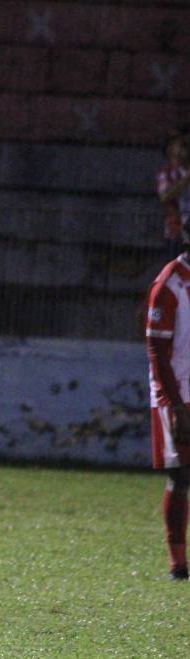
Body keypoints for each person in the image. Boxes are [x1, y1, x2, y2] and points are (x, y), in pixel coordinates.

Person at [145, 220, 190, 581]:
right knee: (182, 473)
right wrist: (173, 405)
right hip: (176, 394)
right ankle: (178, 564)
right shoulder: (169, 285)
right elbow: (157, 350)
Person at [158, 128, 190, 260]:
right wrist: (186, 179)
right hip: (177, 233)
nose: (185, 150)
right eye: (181, 145)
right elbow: (164, 196)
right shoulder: (167, 173)